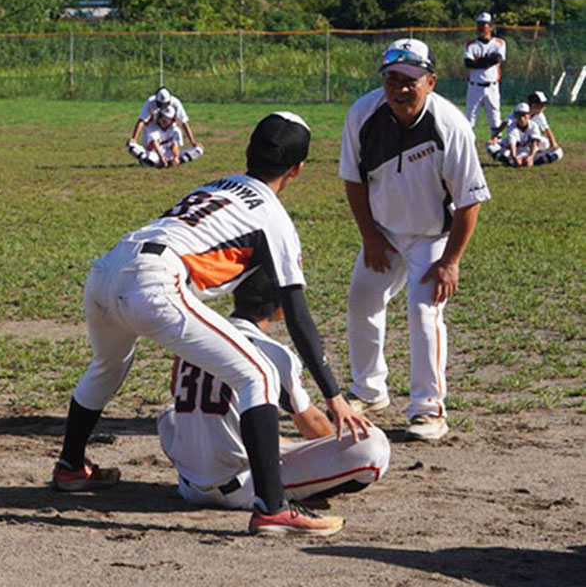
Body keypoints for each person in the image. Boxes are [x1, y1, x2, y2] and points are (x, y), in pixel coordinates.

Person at [54, 111, 371, 537]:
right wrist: (334, 395)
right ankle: (273, 508)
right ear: (297, 169)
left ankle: (71, 466)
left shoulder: (217, 185)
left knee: (105, 368)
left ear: (249, 152)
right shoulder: (273, 216)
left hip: (107, 267)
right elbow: (296, 314)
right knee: (258, 374)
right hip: (155, 280)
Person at [340, 38, 491, 441]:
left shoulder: (450, 125)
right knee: (362, 301)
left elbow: (470, 199)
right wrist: (370, 237)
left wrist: (450, 261)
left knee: (424, 313)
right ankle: (369, 390)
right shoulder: (363, 114)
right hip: (384, 233)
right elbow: (354, 181)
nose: (400, 88)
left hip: (432, 235)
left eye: (410, 80)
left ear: (431, 81)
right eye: (392, 78)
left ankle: (428, 410)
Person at [158, 268, 391, 509]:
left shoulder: (201, 335)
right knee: (373, 447)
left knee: (170, 416)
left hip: (190, 486)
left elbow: (177, 390)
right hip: (246, 485)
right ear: (281, 307)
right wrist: (334, 448)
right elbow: (311, 423)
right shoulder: (274, 352)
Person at [488, 91, 563, 165]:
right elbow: (506, 123)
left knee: (548, 144)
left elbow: (546, 129)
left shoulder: (537, 119)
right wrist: (495, 137)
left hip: (529, 145)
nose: (544, 107)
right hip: (517, 144)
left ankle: (530, 160)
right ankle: (514, 159)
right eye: (542, 105)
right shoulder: (516, 119)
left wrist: (554, 144)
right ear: (534, 105)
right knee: (490, 145)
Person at [464, 12, 506, 134]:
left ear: (491, 27)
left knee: (495, 118)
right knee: (470, 119)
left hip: (492, 86)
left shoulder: (499, 43)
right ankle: (469, 143)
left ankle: (496, 143)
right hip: (474, 86)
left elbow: (497, 59)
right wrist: (487, 61)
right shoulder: (470, 45)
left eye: (484, 25)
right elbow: (469, 63)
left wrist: (478, 61)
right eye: (479, 25)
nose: (481, 28)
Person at [126, 106, 204, 169]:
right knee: (130, 146)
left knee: (199, 149)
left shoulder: (175, 130)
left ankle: (176, 162)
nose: (163, 120)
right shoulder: (152, 127)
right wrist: (161, 158)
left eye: (167, 119)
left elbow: (175, 145)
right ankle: (152, 162)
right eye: (162, 118)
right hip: (154, 154)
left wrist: (176, 157)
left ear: (172, 120)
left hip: (169, 155)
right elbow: (154, 143)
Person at [129, 86, 201, 152]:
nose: (162, 107)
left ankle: (174, 156)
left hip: (170, 127)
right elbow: (142, 120)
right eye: (160, 105)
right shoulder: (150, 102)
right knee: (148, 148)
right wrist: (134, 139)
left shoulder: (176, 103)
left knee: (174, 141)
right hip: (153, 127)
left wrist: (192, 142)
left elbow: (184, 122)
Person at [486, 103, 546, 167]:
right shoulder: (512, 127)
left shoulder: (534, 126)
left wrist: (531, 157)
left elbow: (534, 143)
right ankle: (513, 160)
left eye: (524, 115)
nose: (522, 118)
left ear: (529, 115)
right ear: (515, 116)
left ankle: (528, 160)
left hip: (529, 151)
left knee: (545, 143)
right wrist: (514, 157)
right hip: (515, 151)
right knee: (490, 145)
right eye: (519, 115)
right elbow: (512, 145)